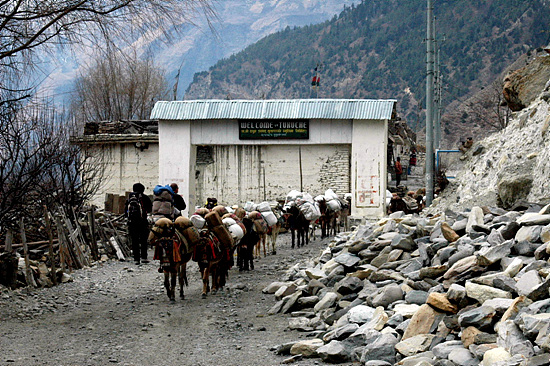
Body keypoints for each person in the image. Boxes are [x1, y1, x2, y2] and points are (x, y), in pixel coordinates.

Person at [125, 183, 152, 265]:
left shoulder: (129, 199)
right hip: (142, 222)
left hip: (132, 223)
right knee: (143, 240)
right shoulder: (145, 198)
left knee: (134, 240)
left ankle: (136, 258)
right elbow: (150, 209)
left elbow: (126, 212)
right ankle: (144, 257)